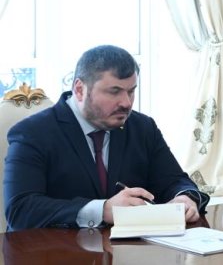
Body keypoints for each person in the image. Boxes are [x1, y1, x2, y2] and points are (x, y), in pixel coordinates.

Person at [4, 45, 209, 231]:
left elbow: (174, 180)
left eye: (131, 91)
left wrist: (185, 198)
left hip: (128, 251)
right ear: (79, 89)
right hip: (54, 251)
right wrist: (102, 210)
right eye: (114, 92)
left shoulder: (143, 127)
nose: (126, 103)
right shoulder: (32, 133)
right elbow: (20, 210)